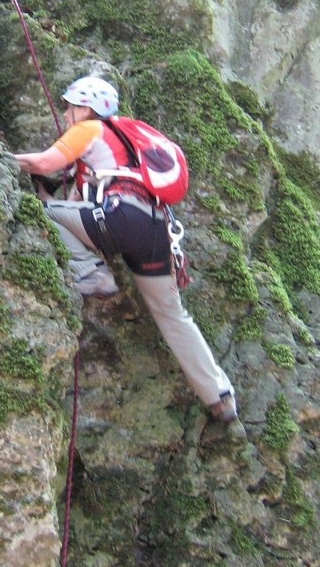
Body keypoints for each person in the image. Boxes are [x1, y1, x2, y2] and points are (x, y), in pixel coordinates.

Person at [13, 75, 237, 424]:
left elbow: (44, 164)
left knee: (39, 214)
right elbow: (74, 209)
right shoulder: (119, 150)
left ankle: (92, 275)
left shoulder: (89, 129)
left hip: (119, 219)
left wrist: (1, 159)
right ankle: (219, 396)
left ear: (85, 107)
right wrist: (53, 196)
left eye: (70, 107)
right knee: (172, 314)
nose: (66, 114)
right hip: (153, 228)